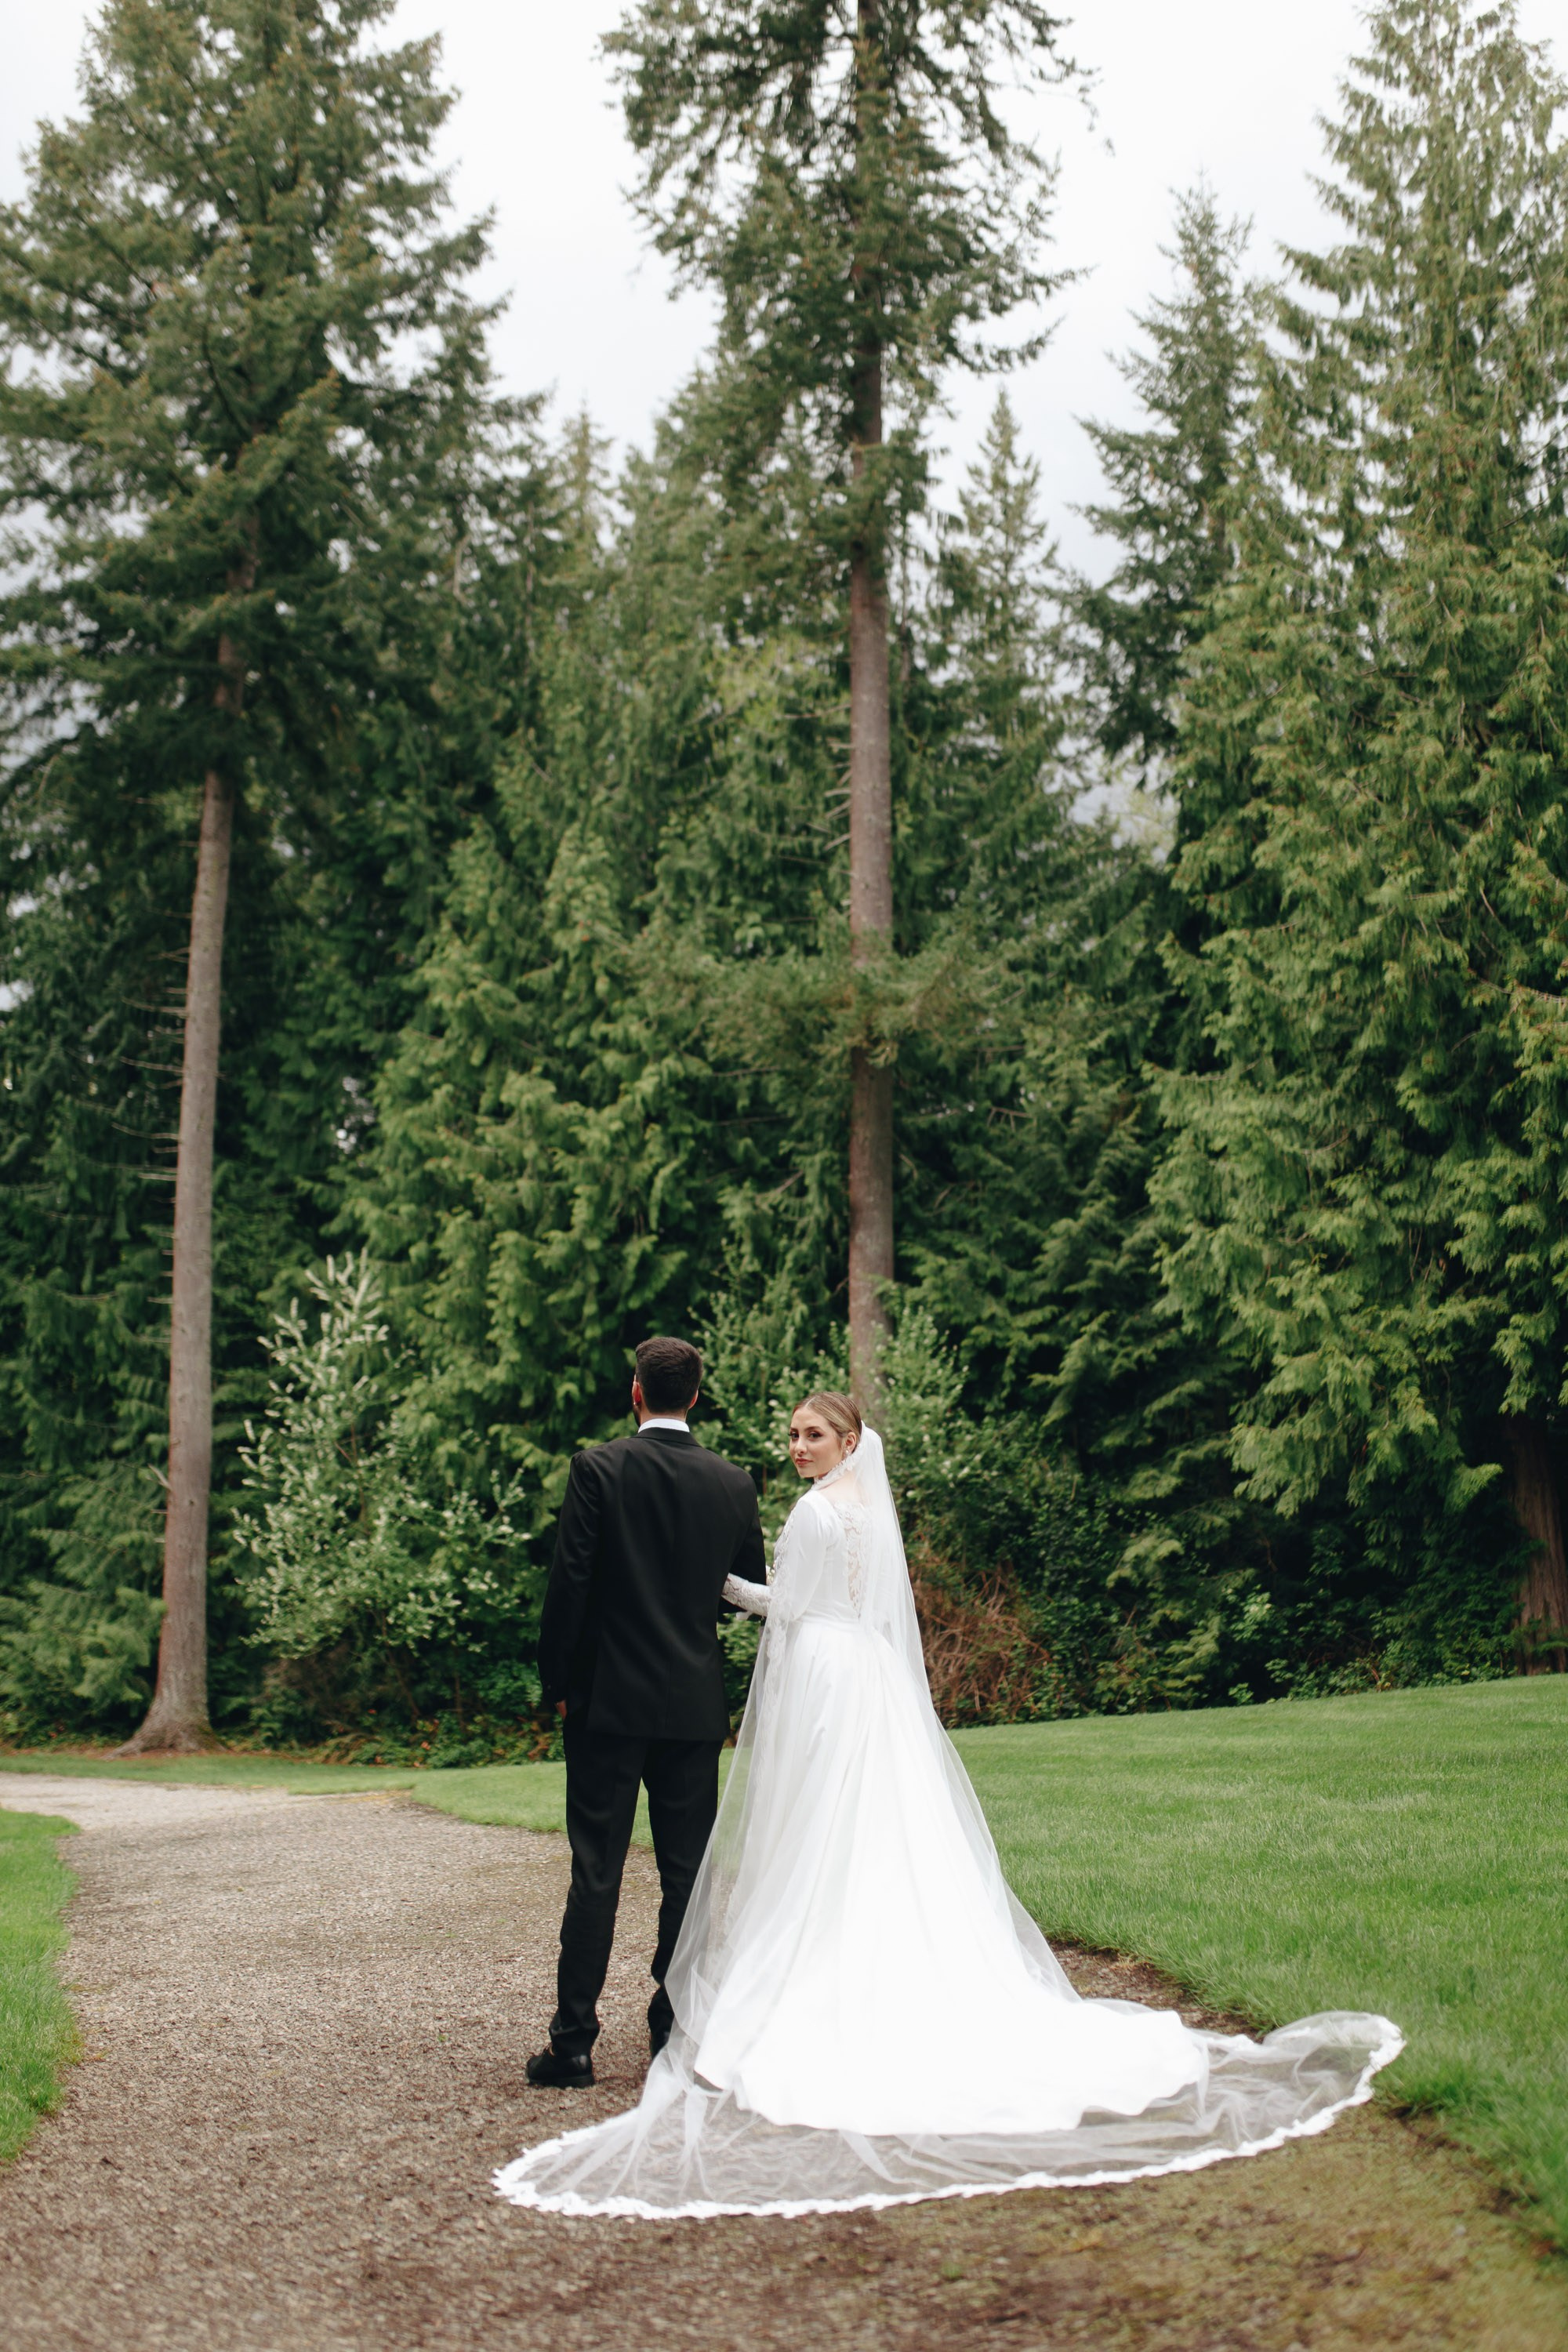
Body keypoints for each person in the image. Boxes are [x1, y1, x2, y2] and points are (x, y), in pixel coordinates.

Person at [501, 1389, 1400, 2216]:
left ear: (848, 1443)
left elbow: (791, 1605)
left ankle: (665, 2015)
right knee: (864, 1832)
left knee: (809, 1836)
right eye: (793, 1436)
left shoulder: (813, 1511)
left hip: (807, 1676)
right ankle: (715, 2006)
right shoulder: (861, 1510)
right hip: (868, 1679)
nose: (797, 1448)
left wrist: (719, 1590)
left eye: (811, 1435)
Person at [524, 1335, 766, 2089]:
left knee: (596, 1869)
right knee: (686, 1872)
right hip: (691, 1704)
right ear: (696, 1396)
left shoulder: (598, 1468)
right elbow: (747, 1587)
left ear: (638, 1393)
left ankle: (573, 2044)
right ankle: (673, 2028)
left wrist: (555, 1680)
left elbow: (572, 1583)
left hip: (604, 1702)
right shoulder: (734, 1483)